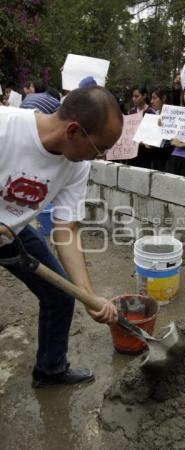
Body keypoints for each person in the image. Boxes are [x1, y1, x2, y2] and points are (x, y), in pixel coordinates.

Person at [0, 86, 123, 387]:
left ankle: (50, 369)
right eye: (99, 149)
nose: (101, 156)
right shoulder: (5, 127)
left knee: (59, 296)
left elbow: (65, 229)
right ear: (73, 131)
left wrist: (88, 295)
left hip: (11, 232)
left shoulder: (76, 166)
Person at [128, 85, 155, 168]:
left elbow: (152, 134)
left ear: (144, 96)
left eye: (136, 96)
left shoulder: (151, 112)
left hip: (145, 152)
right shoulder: (131, 111)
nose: (134, 99)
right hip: (131, 151)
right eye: (133, 96)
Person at [149, 86, 173, 171]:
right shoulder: (155, 114)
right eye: (151, 99)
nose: (151, 101)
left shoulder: (175, 115)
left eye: (154, 98)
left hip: (169, 155)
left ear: (163, 98)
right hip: (156, 155)